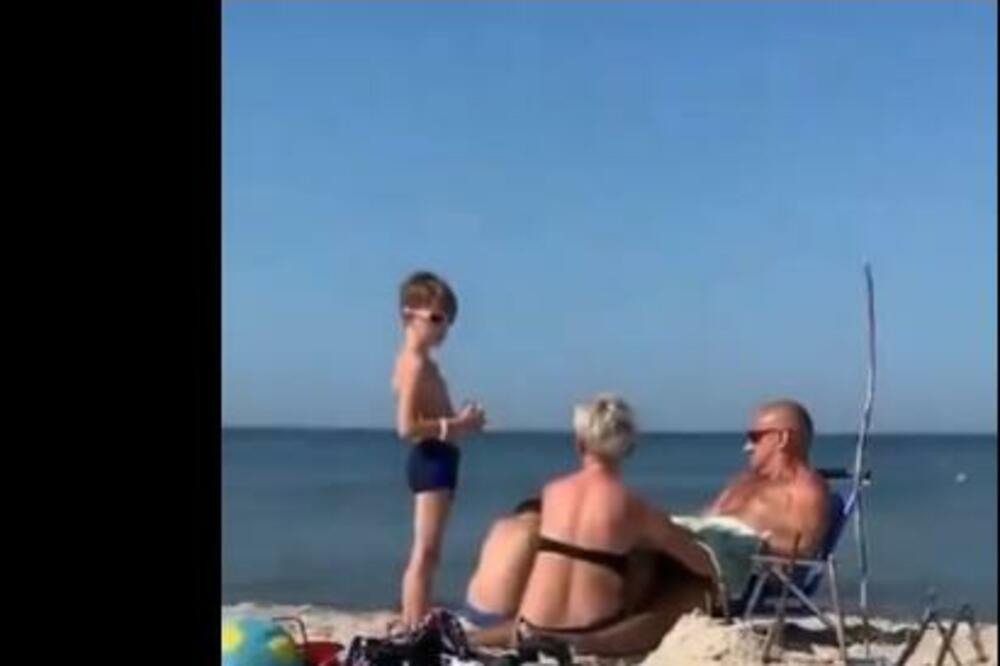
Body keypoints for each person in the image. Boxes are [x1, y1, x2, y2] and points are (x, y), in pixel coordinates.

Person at [513, 394, 716, 655]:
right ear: (629, 447)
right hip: (588, 638)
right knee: (691, 595)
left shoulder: (551, 492)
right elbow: (702, 564)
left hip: (530, 626)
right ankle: (578, 646)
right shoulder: (634, 507)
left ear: (579, 443)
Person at [392, 271, 487, 627]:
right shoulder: (415, 364)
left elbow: (427, 416)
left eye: (448, 319)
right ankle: (413, 627)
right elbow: (406, 426)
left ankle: (413, 622)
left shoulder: (419, 361)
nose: (443, 327)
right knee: (425, 553)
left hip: (439, 457)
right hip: (432, 457)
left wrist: (459, 421)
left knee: (428, 552)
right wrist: (457, 424)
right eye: (435, 318)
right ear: (408, 314)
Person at [461, 498, 542, 645]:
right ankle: (474, 639)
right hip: (500, 621)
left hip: (470, 612)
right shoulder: (539, 531)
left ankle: (470, 637)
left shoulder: (499, 526)